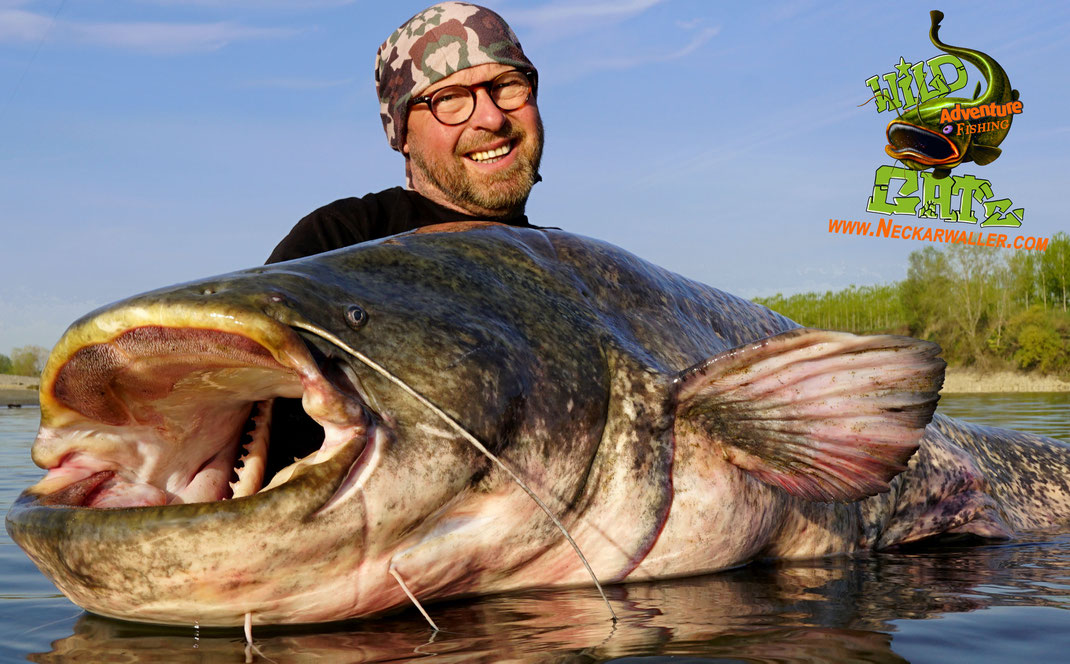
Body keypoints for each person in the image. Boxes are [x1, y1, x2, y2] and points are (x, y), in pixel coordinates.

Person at [266, 1, 544, 264]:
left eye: (508, 84)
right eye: (448, 98)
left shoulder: (574, 262)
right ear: (403, 134)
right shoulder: (338, 240)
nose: (492, 118)